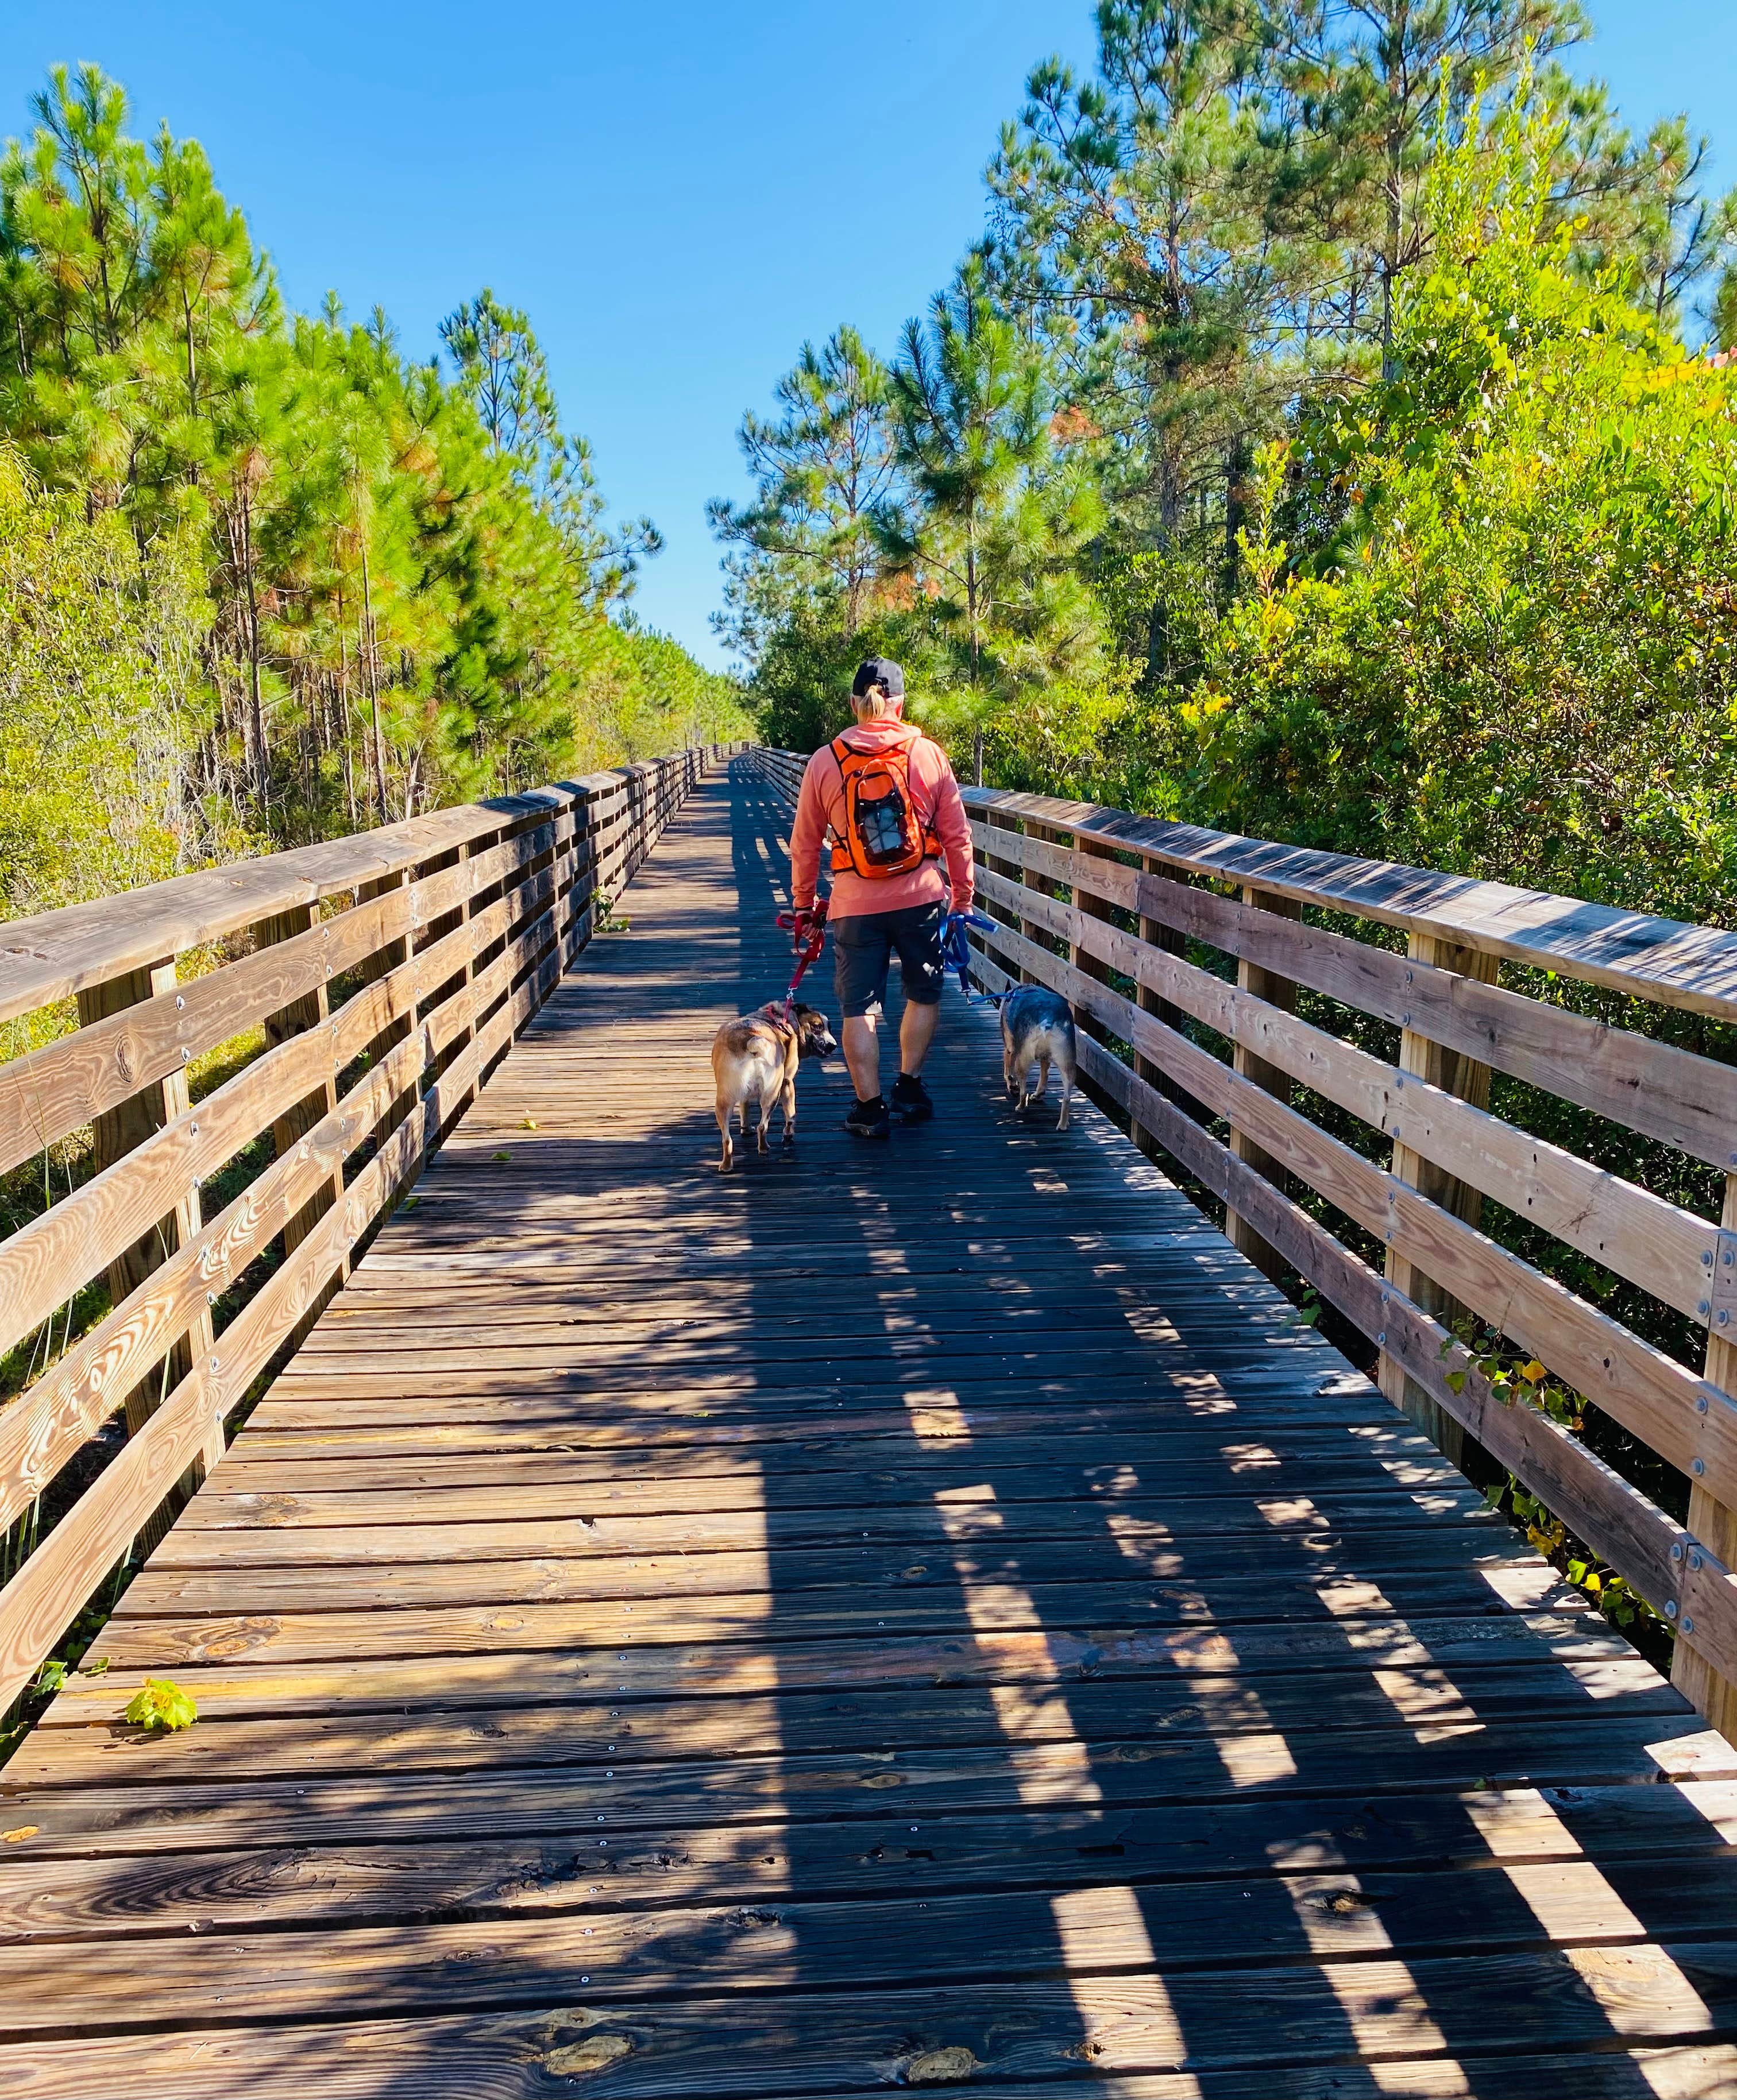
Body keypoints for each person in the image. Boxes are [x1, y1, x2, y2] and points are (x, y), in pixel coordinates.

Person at [788, 656, 974, 1140]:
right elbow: (957, 836)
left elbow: (805, 845)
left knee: (859, 1008)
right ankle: (909, 1088)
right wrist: (963, 898)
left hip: (854, 905)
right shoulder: (928, 754)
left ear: (854, 704)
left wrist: (805, 907)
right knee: (923, 993)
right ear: (901, 703)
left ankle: (870, 1109)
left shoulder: (826, 760)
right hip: (922, 898)